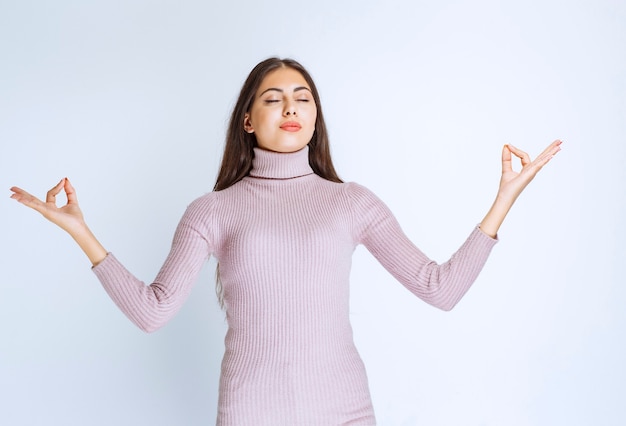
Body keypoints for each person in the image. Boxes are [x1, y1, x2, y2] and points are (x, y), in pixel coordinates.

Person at [10, 57, 561, 425]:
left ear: (316, 116)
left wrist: (504, 197)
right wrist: (81, 231)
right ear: (248, 119)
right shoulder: (213, 210)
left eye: (302, 97)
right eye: (273, 99)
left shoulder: (351, 202)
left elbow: (439, 289)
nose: (291, 107)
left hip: (346, 412)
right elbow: (153, 312)